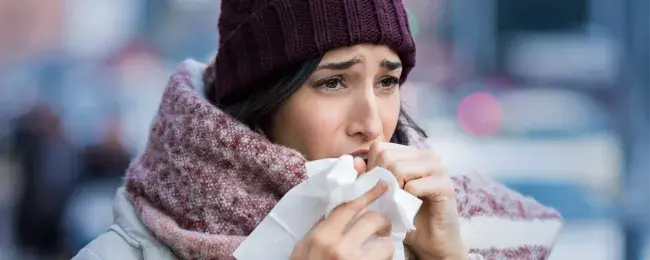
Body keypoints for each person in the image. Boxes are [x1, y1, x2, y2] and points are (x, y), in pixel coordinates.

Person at [74, 0, 562, 259]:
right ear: (262, 102)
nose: (372, 124)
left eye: (388, 81)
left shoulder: (440, 225)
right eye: (333, 82)